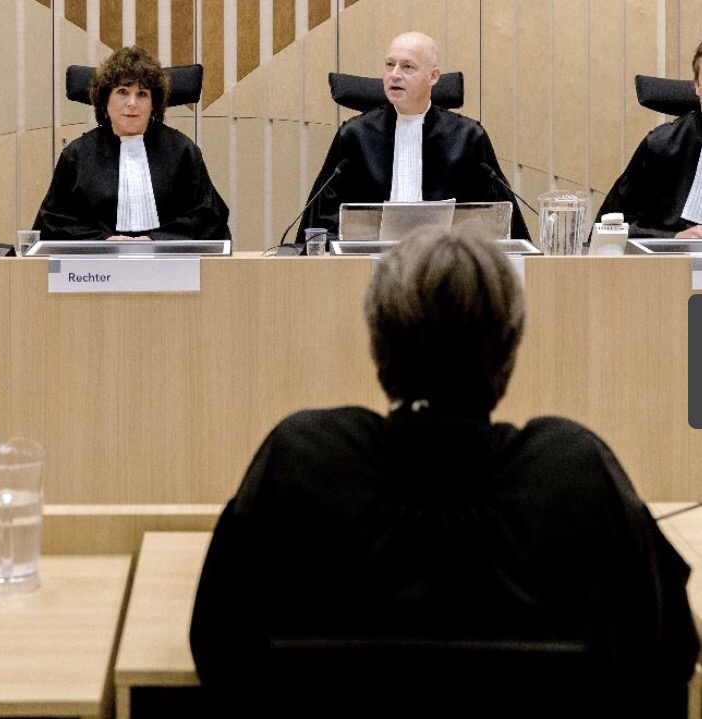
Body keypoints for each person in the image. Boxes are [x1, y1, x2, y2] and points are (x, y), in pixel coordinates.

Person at [189, 226, 699, 718]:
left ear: (378, 344)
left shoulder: (300, 464)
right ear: (508, 350)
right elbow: (667, 660)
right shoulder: (578, 477)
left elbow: (219, 650)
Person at [296, 32, 531, 244]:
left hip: (445, 263)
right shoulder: (355, 135)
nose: (394, 75)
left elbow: (495, 219)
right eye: (390, 65)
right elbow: (323, 218)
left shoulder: (467, 137)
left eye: (407, 67)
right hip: (369, 261)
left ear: (433, 76)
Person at [33, 46, 230, 242]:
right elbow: (52, 223)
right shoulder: (77, 155)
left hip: (168, 259)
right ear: (105, 100)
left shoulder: (182, 151)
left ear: (153, 103)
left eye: (142, 94)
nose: (132, 103)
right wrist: (103, 241)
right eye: (122, 92)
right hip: (96, 261)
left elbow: (209, 218)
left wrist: (156, 240)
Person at [596, 41, 702, 238]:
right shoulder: (661, 145)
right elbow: (609, 228)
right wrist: (674, 239)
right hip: (675, 256)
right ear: (697, 86)